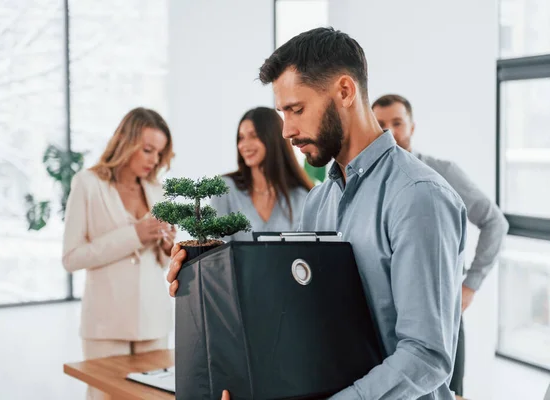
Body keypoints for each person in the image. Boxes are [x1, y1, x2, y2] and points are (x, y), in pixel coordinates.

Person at [168, 27, 468, 400]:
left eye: (296, 109)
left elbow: (426, 356)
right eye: (282, 113)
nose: (287, 130)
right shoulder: (319, 201)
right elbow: (300, 318)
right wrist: (208, 275)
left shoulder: (418, 197)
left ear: (345, 91)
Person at [372, 93, 509, 397]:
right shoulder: (365, 183)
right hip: (383, 323)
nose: (390, 132)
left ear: (412, 126)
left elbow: (495, 222)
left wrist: (470, 285)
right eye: (381, 124)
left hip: (440, 320)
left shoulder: (441, 173)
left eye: (397, 123)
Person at [62, 107, 177, 400]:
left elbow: (161, 262)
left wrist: (166, 246)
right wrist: (135, 234)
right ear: (125, 142)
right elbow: (72, 257)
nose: (153, 160)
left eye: (159, 153)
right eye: (147, 150)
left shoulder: (157, 191)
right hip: (105, 325)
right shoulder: (87, 184)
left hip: (153, 321)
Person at [211, 107, 313, 240]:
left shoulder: (301, 197)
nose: (244, 145)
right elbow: (217, 251)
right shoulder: (224, 189)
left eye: (254, 136)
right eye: (241, 138)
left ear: (272, 138)